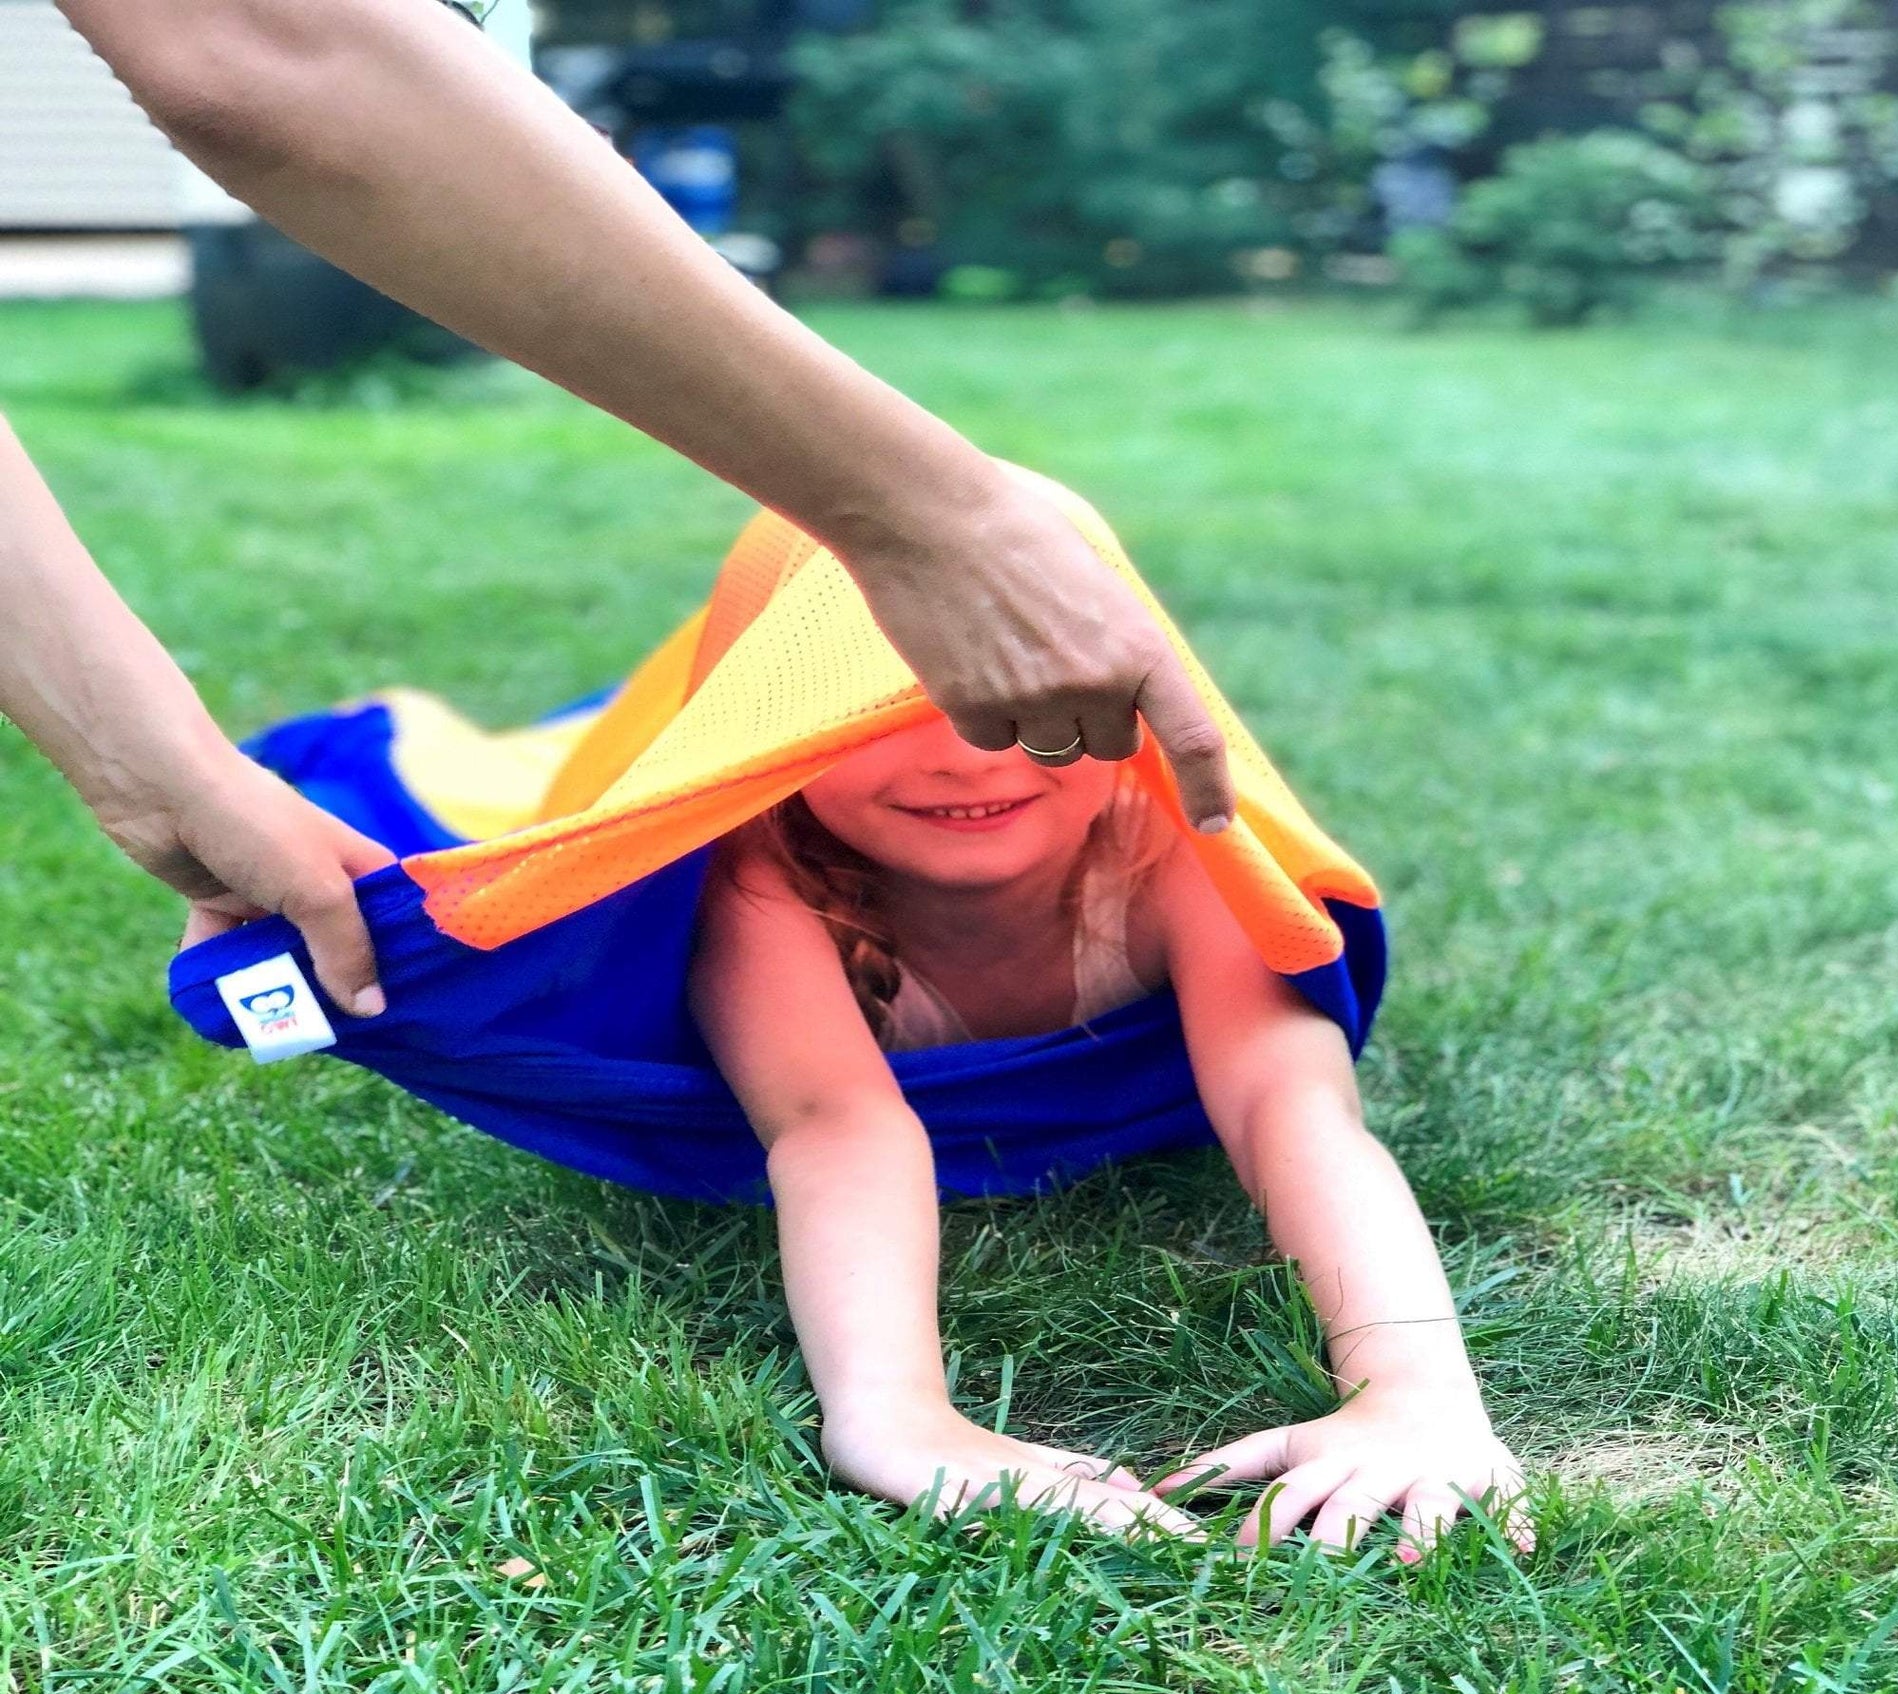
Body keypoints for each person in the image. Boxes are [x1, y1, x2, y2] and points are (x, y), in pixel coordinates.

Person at [1, 0, 1234, 1012]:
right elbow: (270, 41)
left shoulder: (1162, 891)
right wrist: (934, 518)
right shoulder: (770, 918)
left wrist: (142, 758)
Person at [688, 715, 1531, 1555]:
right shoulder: (761, 866)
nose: (965, 758)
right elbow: (836, 1125)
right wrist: (895, 1414)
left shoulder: (1176, 840)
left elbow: (1288, 1100)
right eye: (875, 718)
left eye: (1017, 705)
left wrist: (1413, 1389)